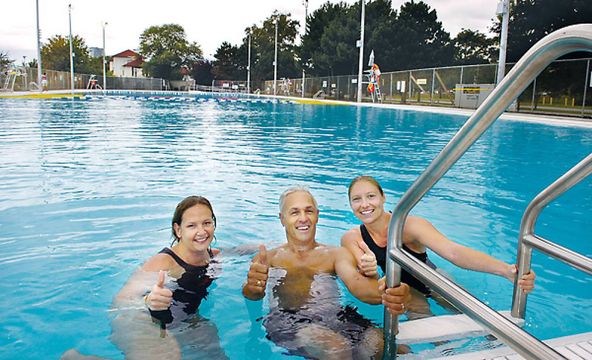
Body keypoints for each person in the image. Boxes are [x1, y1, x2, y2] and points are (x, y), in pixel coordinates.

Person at [242, 186, 410, 359]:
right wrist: (254, 288)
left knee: (381, 343)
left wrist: (390, 291)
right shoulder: (268, 258)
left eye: (309, 211)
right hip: (290, 321)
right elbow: (251, 294)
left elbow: (357, 284)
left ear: (317, 215)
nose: (303, 218)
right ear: (282, 219)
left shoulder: (335, 254)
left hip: (337, 317)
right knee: (336, 348)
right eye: (294, 212)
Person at [342, 176, 536, 319]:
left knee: (474, 315)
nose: (364, 204)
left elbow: (453, 252)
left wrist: (506, 270)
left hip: (434, 278)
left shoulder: (409, 226)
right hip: (403, 288)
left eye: (371, 196)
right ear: (350, 205)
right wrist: (368, 269)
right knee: (425, 323)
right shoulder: (352, 238)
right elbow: (365, 277)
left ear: (383, 198)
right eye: (356, 199)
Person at [63, 196, 227, 360]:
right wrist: (148, 301)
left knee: (214, 351)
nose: (202, 231)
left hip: (184, 319)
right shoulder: (164, 262)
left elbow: (238, 251)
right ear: (178, 230)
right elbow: (121, 300)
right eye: (192, 225)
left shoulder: (214, 256)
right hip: (143, 319)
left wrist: (252, 249)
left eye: (206, 223)